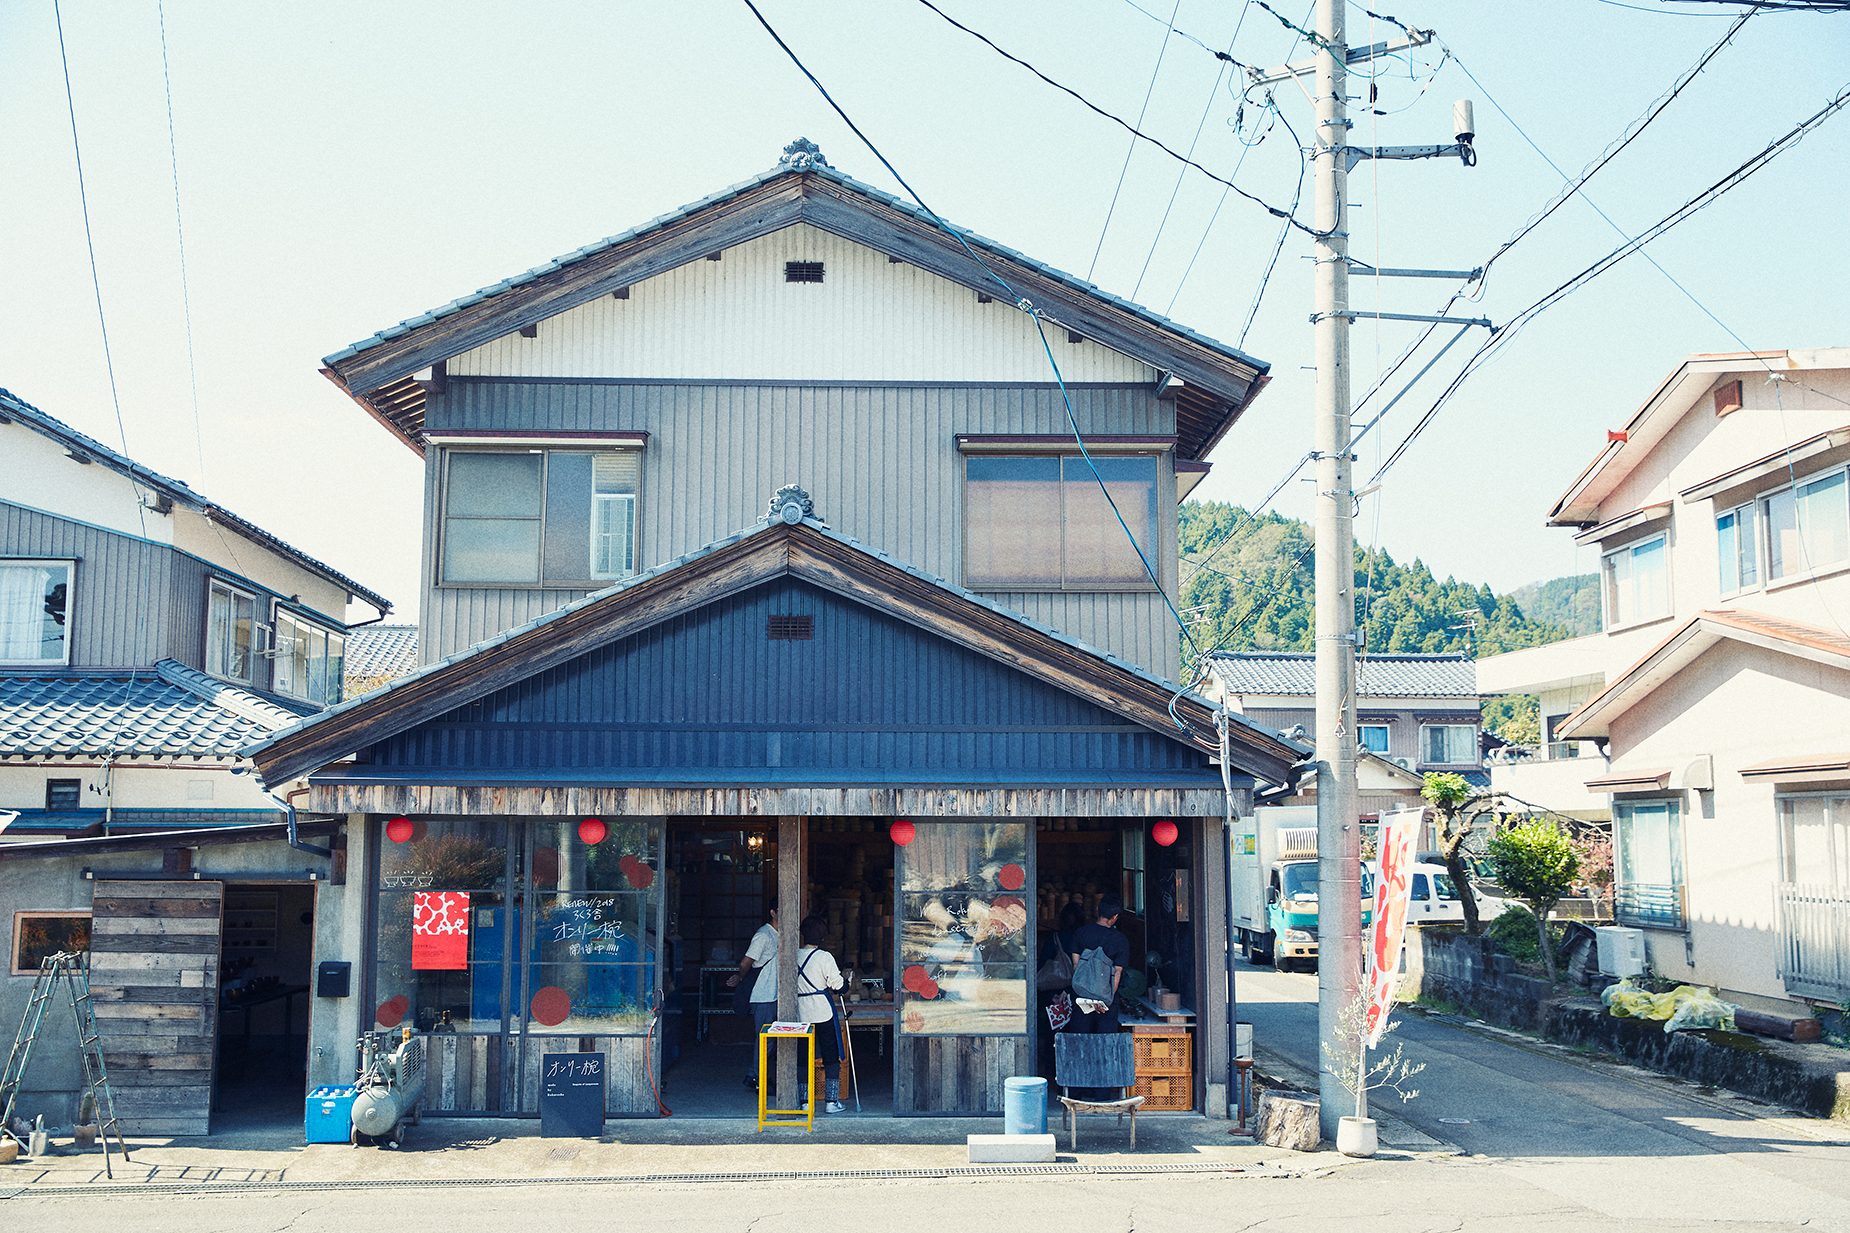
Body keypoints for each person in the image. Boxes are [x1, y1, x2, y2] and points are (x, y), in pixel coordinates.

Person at [1066, 894, 1131, 1100]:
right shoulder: (1119, 939)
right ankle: (1101, 1092)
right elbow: (1117, 973)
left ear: (1098, 912)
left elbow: (1075, 965)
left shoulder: (1081, 933)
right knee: (1104, 1044)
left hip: (1081, 998)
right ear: (1114, 918)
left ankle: (1076, 1090)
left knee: (1080, 1041)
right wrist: (1105, 999)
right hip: (1106, 1002)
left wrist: (1084, 994)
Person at [796, 915, 848, 1114]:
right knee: (830, 1056)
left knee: (802, 1057)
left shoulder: (794, 955)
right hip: (822, 1011)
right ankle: (831, 1101)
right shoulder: (825, 957)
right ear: (823, 936)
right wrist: (846, 982)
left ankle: (804, 1102)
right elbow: (839, 986)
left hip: (800, 1011)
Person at [727, 906, 778, 1093]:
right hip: (762, 994)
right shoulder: (764, 935)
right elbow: (746, 962)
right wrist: (740, 977)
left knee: (770, 1039)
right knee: (765, 1039)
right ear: (772, 912)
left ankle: (755, 1075)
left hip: (773, 993)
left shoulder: (780, 934)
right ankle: (758, 1079)